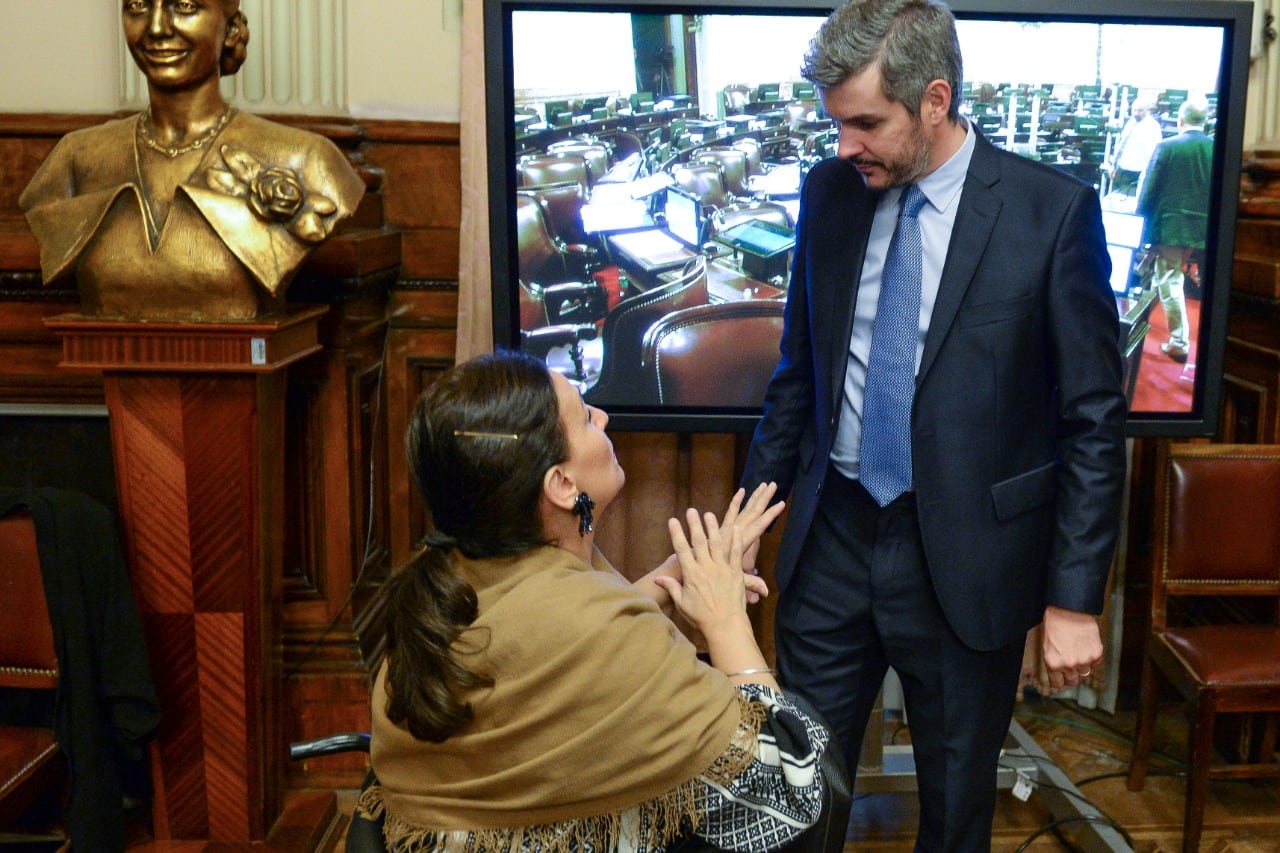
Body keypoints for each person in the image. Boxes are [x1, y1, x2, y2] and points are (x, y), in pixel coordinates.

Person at [738, 1, 1128, 849]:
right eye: (836, 123)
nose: (845, 146)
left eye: (866, 123)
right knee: (795, 799)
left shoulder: (1049, 215)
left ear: (936, 101)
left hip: (966, 563)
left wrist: (1072, 599)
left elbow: (1093, 420)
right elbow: (798, 378)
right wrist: (741, 525)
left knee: (955, 814)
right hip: (833, 541)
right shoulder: (829, 194)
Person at [359, 350, 831, 852]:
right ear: (563, 485)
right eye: (586, 416)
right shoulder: (601, 638)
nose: (603, 417)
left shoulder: (447, 587)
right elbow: (788, 794)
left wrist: (672, 578)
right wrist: (726, 618)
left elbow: (558, 636)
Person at [19, 0, 364, 322]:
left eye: (184, 5)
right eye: (137, 5)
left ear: (230, 30)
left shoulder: (308, 160)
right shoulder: (75, 159)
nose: (156, 28)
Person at [1136, 97, 1213, 363]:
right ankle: (1145, 322)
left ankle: (1180, 342)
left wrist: (1141, 222)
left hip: (1170, 226)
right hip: (1201, 228)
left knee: (1169, 280)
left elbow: (1149, 189)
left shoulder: (1166, 147)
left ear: (1180, 120)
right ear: (1205, 121)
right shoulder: (1216, 148)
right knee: (1166, 278)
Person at [1106, 99, 1162, 197]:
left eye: (1140, 110)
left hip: (1137, 174)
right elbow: (1121, 145)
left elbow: (1154, 154)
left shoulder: (1153, 127)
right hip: (1121, 171)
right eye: (1134, 110)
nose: (1136, 113)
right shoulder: (1131, 122)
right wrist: (1114, 166)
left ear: (1147, 110)